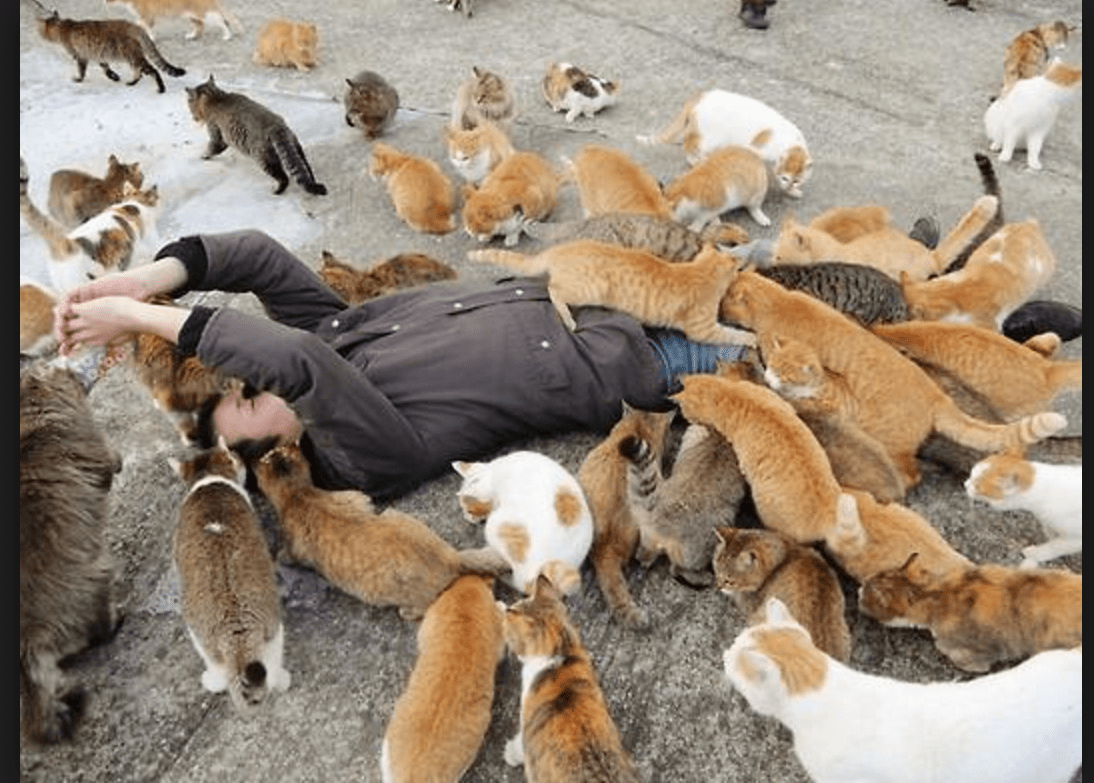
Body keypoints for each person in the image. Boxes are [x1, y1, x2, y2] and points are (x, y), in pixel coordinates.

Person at [55, 230, 748, 501]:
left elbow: (255, 254)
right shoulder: (360, 455)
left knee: (818, 279)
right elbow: (293, 363)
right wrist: (141, 323)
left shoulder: (327, 331)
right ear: (275, 457)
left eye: (241, 383)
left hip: (609, 284)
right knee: (831, 348)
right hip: (643, 355)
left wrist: (145, 284)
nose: (249, 378)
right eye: (247, 400)